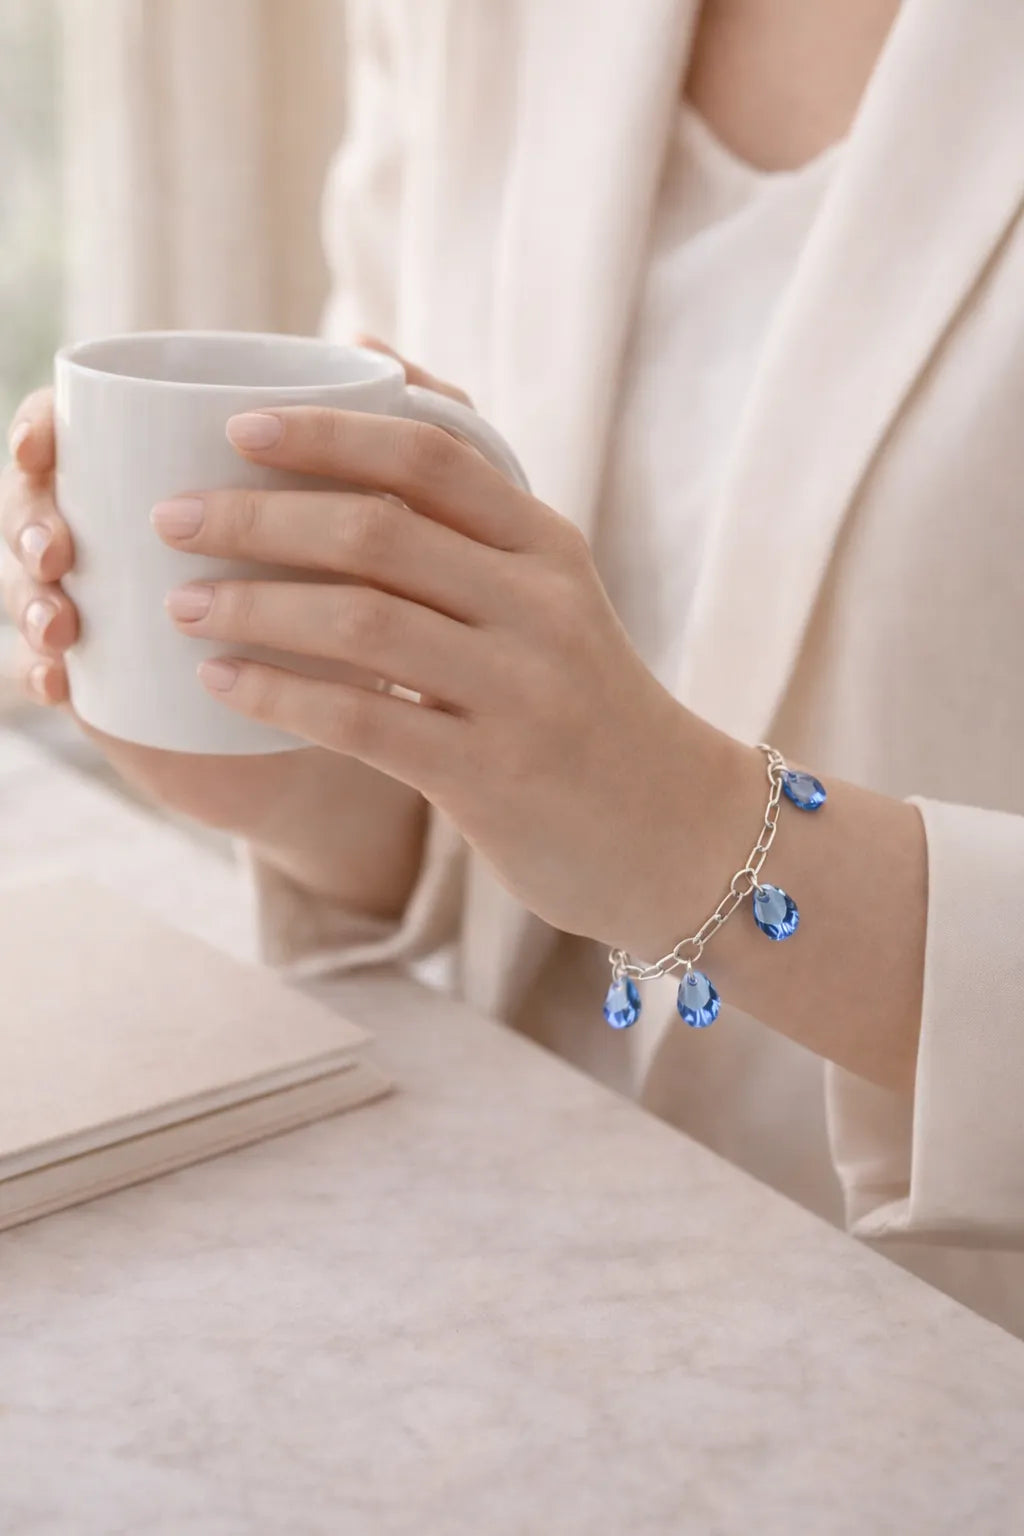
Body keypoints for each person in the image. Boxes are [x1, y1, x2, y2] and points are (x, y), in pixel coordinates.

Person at [3, 0, 1024, 1332]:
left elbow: (625, 816)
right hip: (500, 1281)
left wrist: (704, 834)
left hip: (940, 1357)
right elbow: (496, 826)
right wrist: (275, 733)